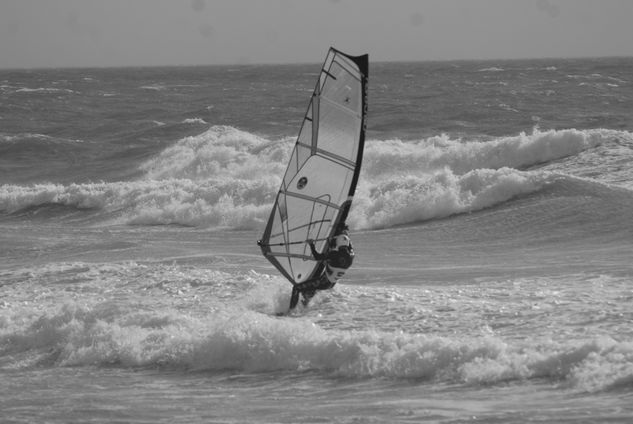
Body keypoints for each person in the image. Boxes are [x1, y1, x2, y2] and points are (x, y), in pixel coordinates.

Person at [288, 223, 354, 311]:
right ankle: (304, 308)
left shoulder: (334, 254)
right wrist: (344, 234)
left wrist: (311, 244)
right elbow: (349, 246)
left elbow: (317, 257)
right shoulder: (351, 256)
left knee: (296, 288)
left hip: (323, 282)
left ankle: (290, 312)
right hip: (331, 284)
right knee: (311, 288)